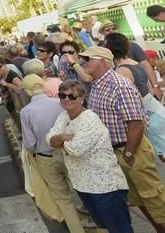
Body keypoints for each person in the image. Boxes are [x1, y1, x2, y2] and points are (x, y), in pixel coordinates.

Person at [81, 46, 165, 232]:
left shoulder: (119, 85)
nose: (83, 62)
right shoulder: (97, 84)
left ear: (102, 61)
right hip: (119, 151)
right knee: (140, 199)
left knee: (154, 198)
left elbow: (136, 124)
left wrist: (128, 152)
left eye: (88, 59)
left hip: (131, 150)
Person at [47, 80, 132, 233]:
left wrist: (59, 140)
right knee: (103, 227)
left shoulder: (89, 119)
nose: (66, 99)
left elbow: (76, 149)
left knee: (120, 229)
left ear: (81, 99)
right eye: (62, 95)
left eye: (71, 96)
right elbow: (49, 139)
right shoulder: (63, 116)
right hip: (83, 185)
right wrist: (61, 138)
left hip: (105, 186)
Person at [20, 75, 85, 233]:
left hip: (46, 158)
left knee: (63, 200)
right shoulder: (60, 103)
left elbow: (29, 143)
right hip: (69, 153)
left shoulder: (26, 111)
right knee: (85, 191)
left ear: (27, 91)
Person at [106, 33, 165, 162]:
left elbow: (132, 98)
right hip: (156, 109)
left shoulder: (121, 71)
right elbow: (148, 87)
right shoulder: (135, 63)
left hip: (147, 113)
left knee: (162, 152)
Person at [100, 20, 159, 94]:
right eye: (107, 30)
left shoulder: (132, 46)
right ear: (102, 33)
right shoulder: (101, 51)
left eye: (113, 28)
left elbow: (146, 66)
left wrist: (156, 86)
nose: (111, 31)